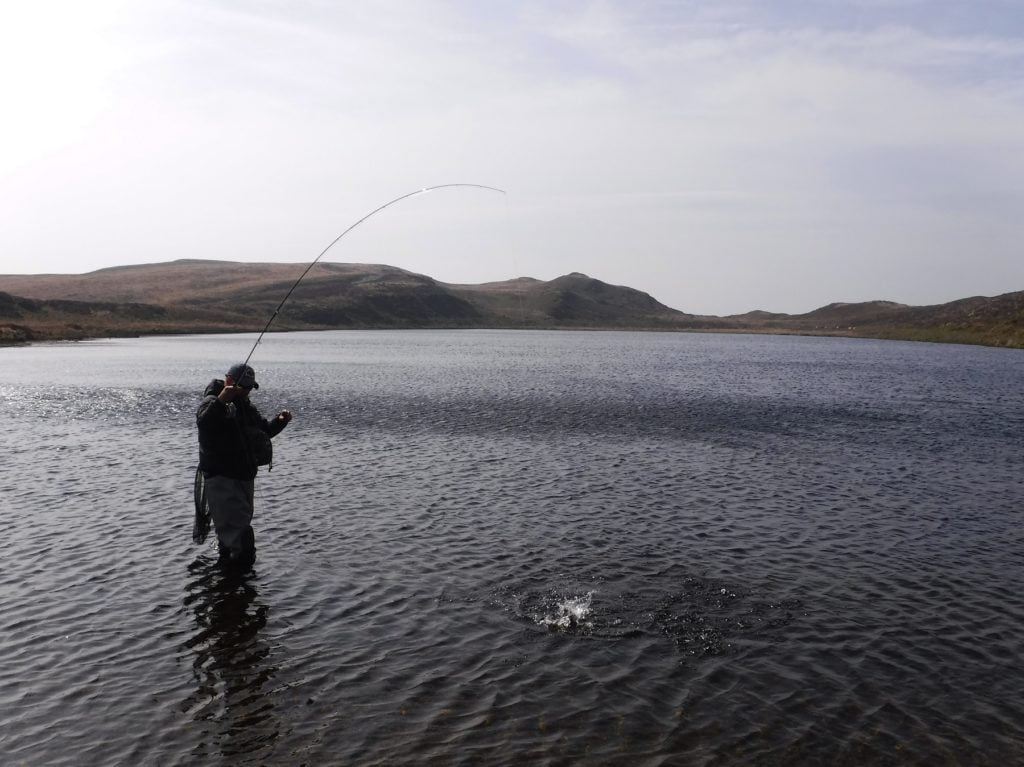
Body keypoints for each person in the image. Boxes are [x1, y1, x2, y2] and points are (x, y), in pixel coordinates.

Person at [195, 362, 292, 570]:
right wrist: (222, 400)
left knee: (236, 530)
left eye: (250, 388)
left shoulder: (245, 406)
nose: (247, 391)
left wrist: (280, 421)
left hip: (243, 476)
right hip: (222, 478)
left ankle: (230, 580)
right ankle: (238, 577)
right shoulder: (212, 401)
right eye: (244, 387)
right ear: (229, 380)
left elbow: (263, 430)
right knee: (239, 535)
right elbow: (204, 422)